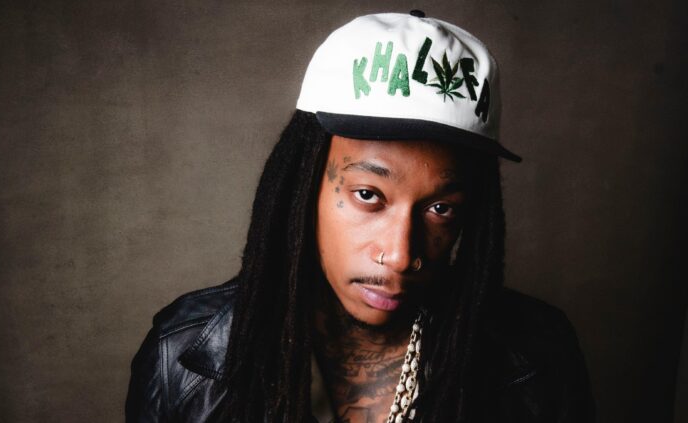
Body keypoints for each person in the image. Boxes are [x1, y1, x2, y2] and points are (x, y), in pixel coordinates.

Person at [126, 11, 595, 423]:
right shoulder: (181, 353)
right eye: (368, 195)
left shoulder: (540, 353)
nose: (400, 255)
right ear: (304, 186)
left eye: (440, 208)